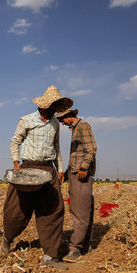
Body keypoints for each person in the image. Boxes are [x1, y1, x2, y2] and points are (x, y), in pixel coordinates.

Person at [1, 85, 72, 270]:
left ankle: (51, 255)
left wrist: (61, 169)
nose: (55, 109)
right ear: (43, 105)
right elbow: (15, 142)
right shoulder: (26, 120)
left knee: (54, 210)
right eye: (52, 105)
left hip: (49, 170)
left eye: (56, 106)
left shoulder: (55, 124)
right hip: (28, 168)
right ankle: (7, 237)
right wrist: (17, 163)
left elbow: (57, 148)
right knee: (16, 210)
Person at [56, 108, 97, 262]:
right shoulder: (75, 130)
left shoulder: (83, 126)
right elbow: (76, 156)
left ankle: (75, 249)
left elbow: (91, 148)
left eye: (62, 119)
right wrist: (66, 175)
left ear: (68, 116)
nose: (62, 123)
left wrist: (84, 167)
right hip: (75, 174)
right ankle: (85, 245)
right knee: (79, 209)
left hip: (81, 176)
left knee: (80, 212)